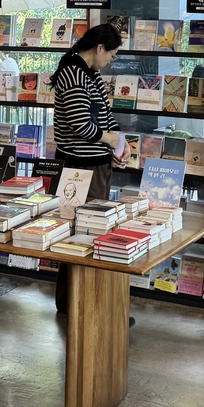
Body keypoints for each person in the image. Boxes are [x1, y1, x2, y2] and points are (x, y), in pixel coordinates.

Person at [51, 23, 123, 315]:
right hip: (80, 167)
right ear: (99, 48)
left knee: (90, 231)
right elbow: (80, 124)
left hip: (96, 164)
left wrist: (119, 143)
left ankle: (82, 303)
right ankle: (77, 304)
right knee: (81, 232)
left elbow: (104, 115)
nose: (110, 61)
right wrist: (109, 140)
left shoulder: (90, 74)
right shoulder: (74, 74)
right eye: (111, 55)